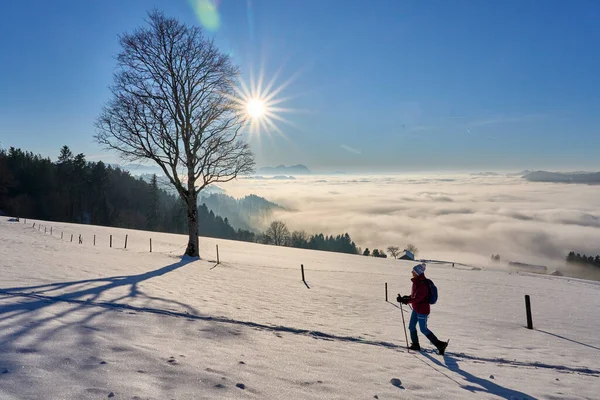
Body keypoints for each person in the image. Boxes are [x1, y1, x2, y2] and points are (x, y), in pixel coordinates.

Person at [398, 263, 448, 354]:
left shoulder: (422, 284)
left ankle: (440, 345)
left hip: (422, 310)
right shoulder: (417, 281)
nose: (411, 272)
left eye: (413, 271)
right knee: (411, 326)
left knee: (423, 329)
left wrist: (406, 301)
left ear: (417, 272)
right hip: (416, 308)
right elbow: (415, 296)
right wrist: (406, 298)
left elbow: (418, 298)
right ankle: (415, 345)